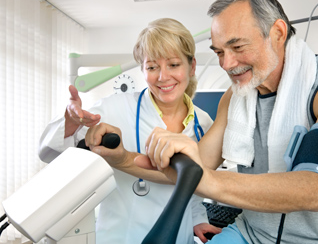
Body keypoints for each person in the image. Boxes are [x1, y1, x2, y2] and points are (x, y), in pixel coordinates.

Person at [135, 0, 318, 244]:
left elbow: (315, 190)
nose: (227, 64)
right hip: (251, 233)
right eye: (220, 52)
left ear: (277, 33)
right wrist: (124, 158)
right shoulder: (235, 96)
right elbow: (198, 166)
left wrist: (206, 178)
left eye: (237, 47)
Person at [38, 18, 221, 244]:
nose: (163, 77)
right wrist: (71, 121)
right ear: (143, 69)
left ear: (191, 66)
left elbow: (191, 187)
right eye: (152, 67)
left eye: (173, 65)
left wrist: (197, 219)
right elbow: (48, 152)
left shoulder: (203, 123)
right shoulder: (114, 108)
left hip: (178, 238)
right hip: (122, 237)